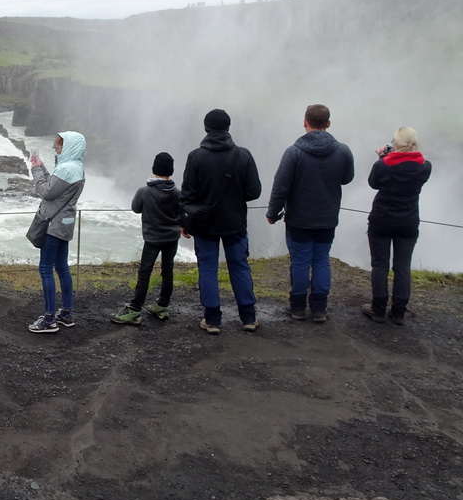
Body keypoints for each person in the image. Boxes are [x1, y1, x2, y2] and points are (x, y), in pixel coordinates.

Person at [265, 104, 355, 323]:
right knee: (322, 260)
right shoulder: (343, 151)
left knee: (300, 261)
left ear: (305, 121)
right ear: (328, 124)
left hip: (299, 219)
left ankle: (297, 308)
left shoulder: (294, 153)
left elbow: (281, 186)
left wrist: (273, 213)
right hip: (327, 217)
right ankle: (319, 309)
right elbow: (347, 178)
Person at [179, 109, 262, 334]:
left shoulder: (196, 156)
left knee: (207, 268)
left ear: (206, 128)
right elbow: (254, 192)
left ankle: (212, 319)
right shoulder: (243, 155)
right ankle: (248, 317)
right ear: (228, 127)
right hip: (235, 223)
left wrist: (184, 222)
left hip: (205, 225)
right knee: (239, 267)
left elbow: (187, 194)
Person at [361, 127, 431, 326]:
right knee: (402, 266)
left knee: (380, 265)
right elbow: (417, 164)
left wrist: (383, 157)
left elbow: (373, 183)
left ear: (395, 144)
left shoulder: (383, 165)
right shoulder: (425, 167)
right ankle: (399, 312)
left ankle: (378, 309)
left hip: (381, 220)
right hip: (408, 222)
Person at [27, 131, 87, 333]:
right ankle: (66, 313)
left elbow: (46, 191)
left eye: (59, 145)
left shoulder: (67, 169)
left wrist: (35, 169)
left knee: (45, 268)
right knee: (62, 267)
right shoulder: (77, 167)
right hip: (66, 222)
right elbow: (55, 187)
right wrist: (43, 166)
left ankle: (49, 318)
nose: (56, 149)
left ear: (69, 147)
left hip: (54, 225)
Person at [111, 152, 180, 325]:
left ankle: (135, 310)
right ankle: (162, 306)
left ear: (154, 168)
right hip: (172, 237)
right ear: (170, 171)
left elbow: (136, 208)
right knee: (167, 270)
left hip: (152, 238)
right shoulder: (178, 193)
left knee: (144, 272)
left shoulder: (145, 191)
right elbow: (180, 212)